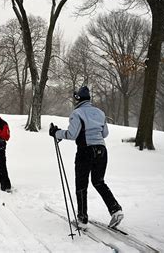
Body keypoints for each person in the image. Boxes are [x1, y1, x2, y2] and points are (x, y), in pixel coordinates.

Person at [49, 86, 123, 229]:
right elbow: (105, 133)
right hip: (102, 150)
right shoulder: (100, 113)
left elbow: (72, 135)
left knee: (81, 185)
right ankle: (116, 210)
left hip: (85, 151)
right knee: (99, 182)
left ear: (78, 99)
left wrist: (56, 133)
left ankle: (82, 219)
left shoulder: (77, 113)